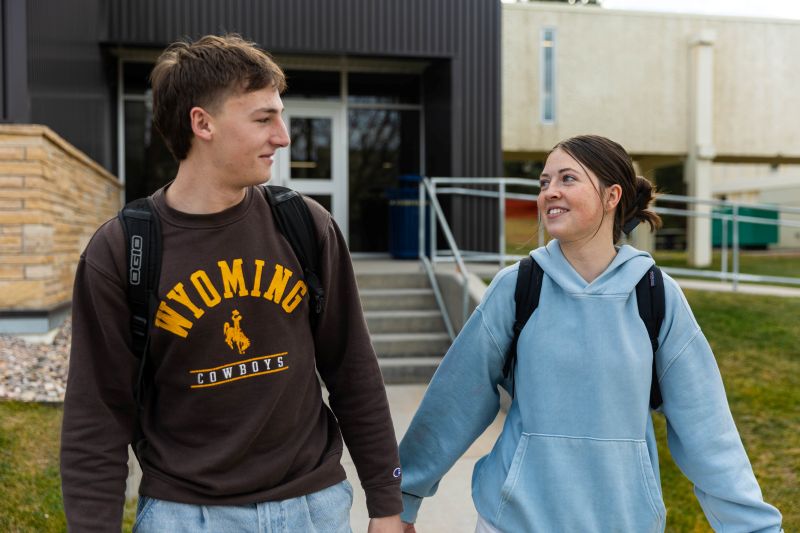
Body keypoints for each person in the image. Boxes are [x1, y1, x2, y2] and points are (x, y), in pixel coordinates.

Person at [60, 34, 403, 533]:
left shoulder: (304, 225)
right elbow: (98, 415)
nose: (282, 136)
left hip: (313, 509)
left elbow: (353, 371)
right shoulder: (123, 250)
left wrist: (386, 502)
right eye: (263, 119)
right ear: (203, 123)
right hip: (186, 516)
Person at [398, 135, 783, 532]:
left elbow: (707, 430)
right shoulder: (516, 288)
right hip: (513, 523)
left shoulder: (655, 295)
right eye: (544, 182)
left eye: (567, 179)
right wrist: (402, 499)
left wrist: (755, 528)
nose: (550, 192)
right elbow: (452, 402)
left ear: (612, 195)